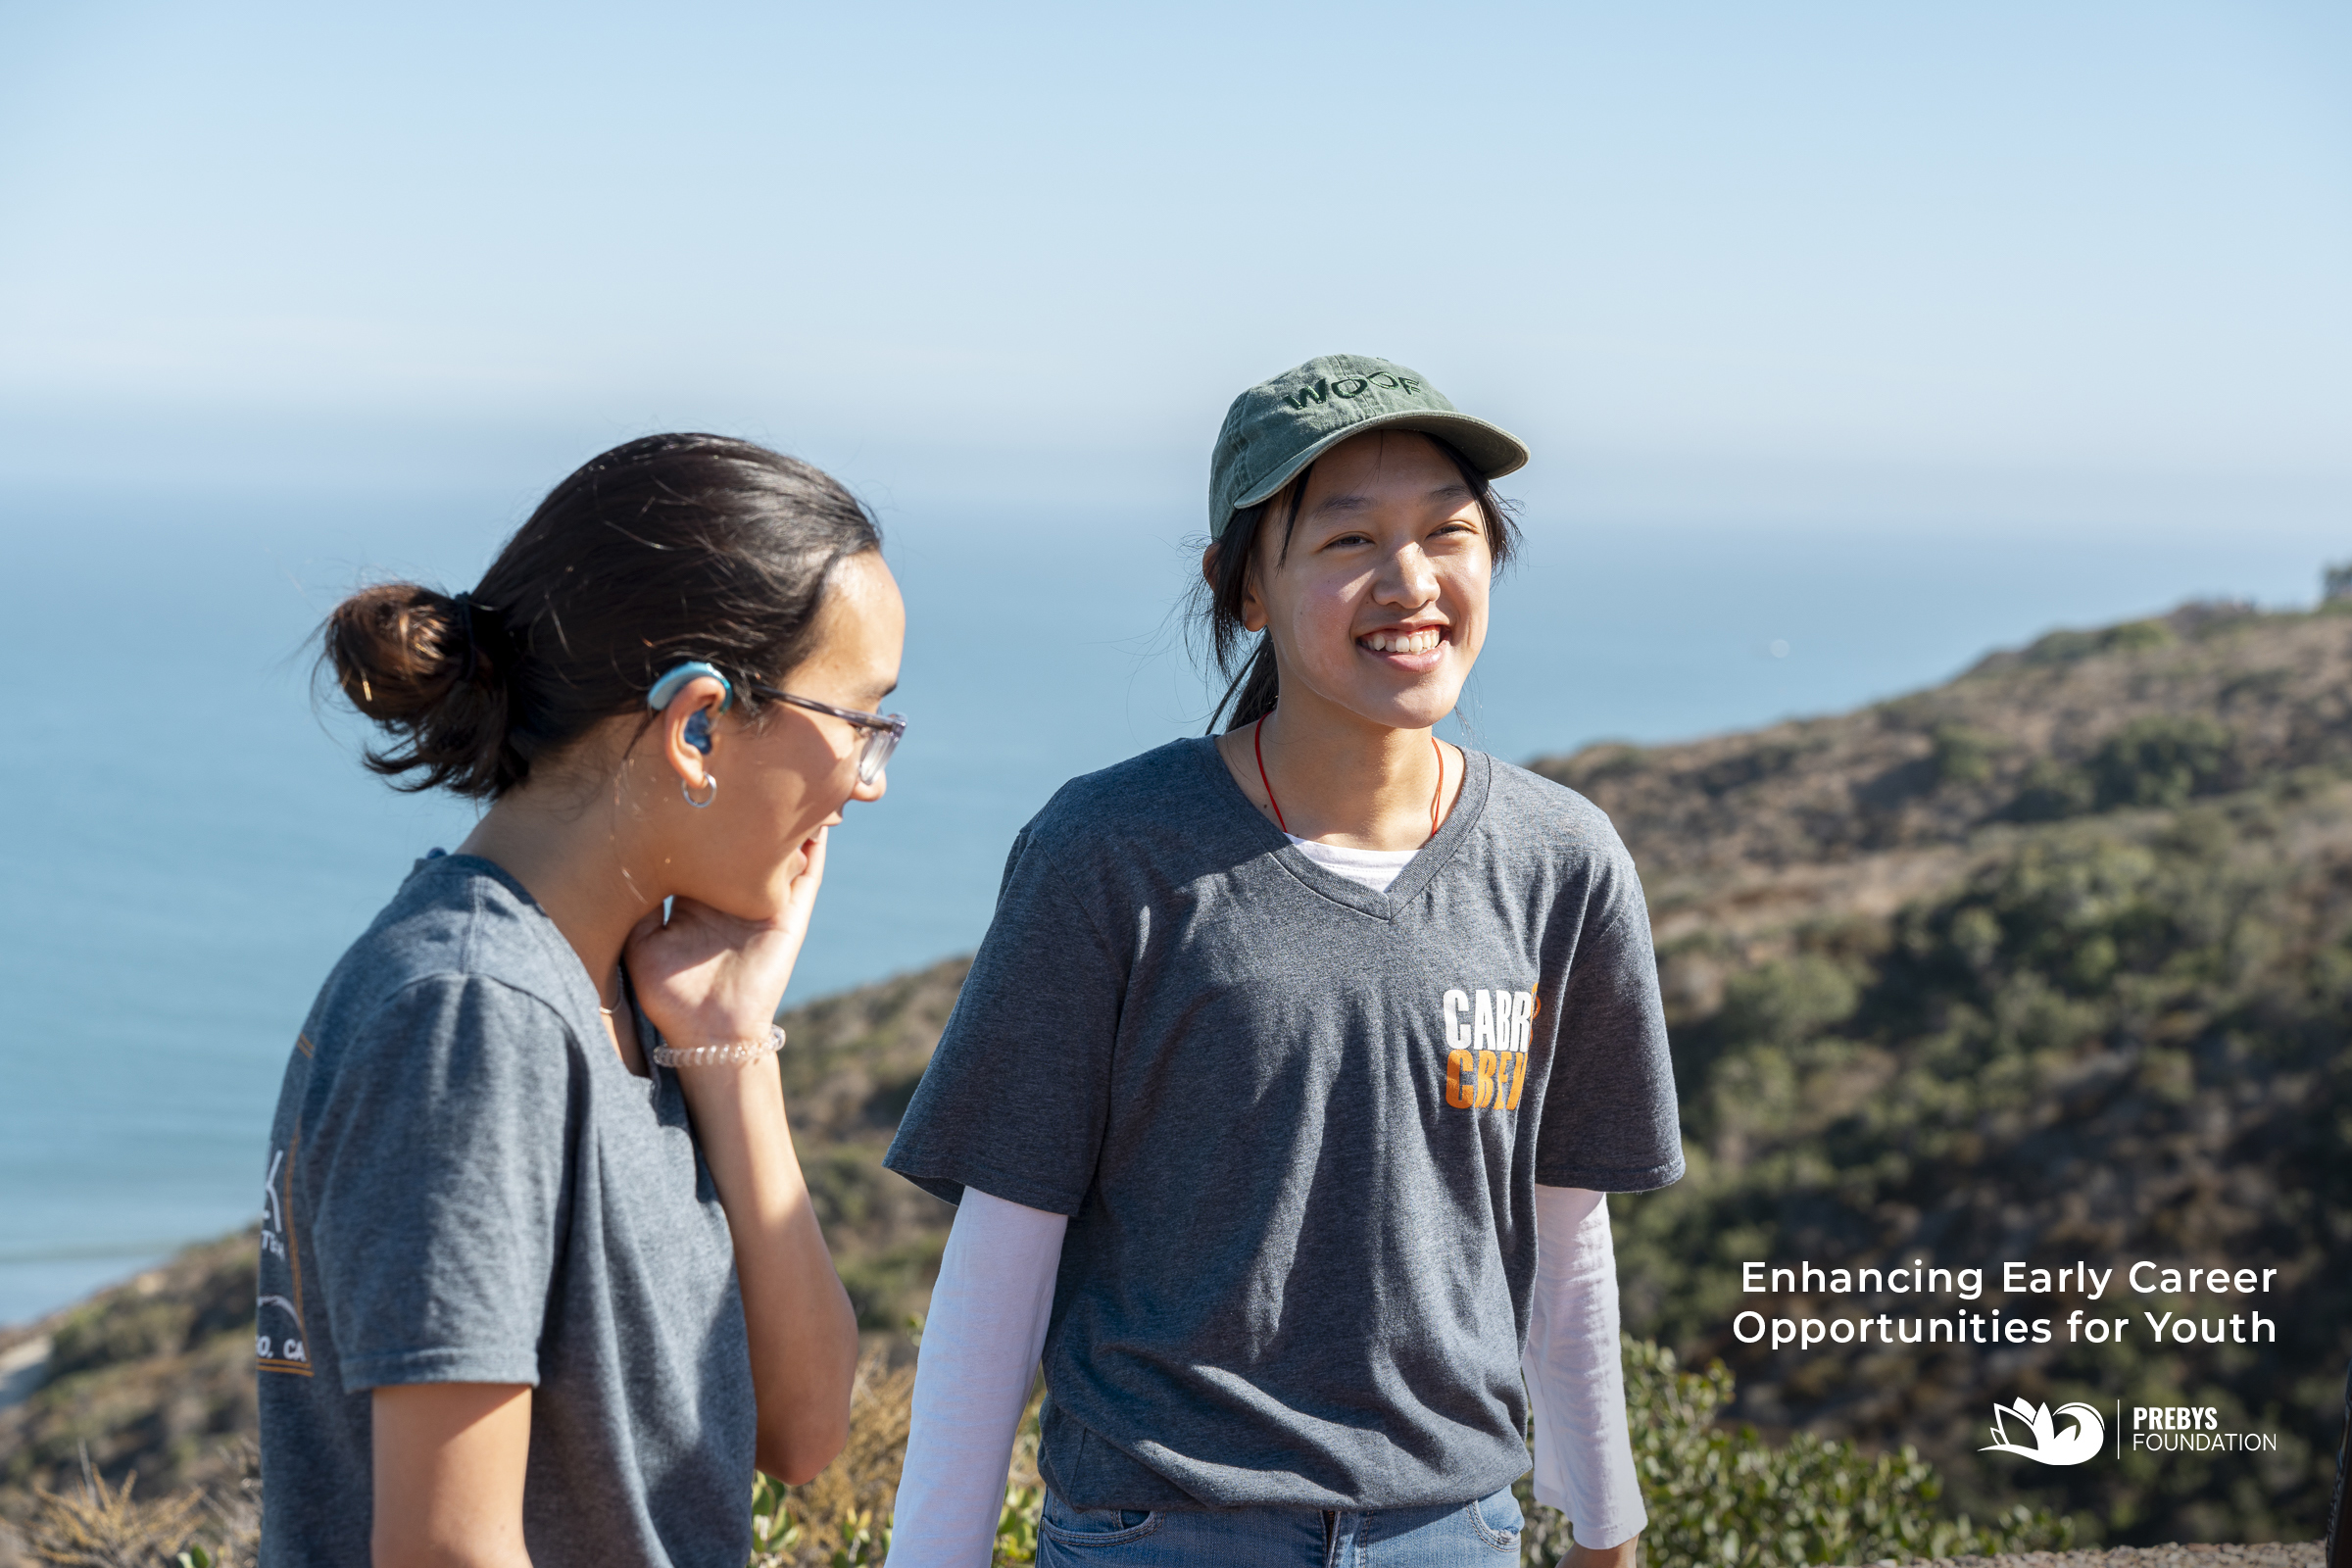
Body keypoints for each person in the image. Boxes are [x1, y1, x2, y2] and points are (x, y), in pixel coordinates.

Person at [884, 356, 1683, 1566]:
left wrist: (1606, 1527)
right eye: (1348, 539)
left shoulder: (1560, 860)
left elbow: (1564, 1232)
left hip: (1454, 1531)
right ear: (1242, 586)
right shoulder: (1110, 852)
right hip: (1159, 1531)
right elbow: (1002, 1253)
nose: (1409, 581)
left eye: (1448, 533)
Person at [256, 434, 903, 1568]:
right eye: (861, 720)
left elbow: (803, 1431)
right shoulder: (471, 1015)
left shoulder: (614, 994)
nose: (869, 778)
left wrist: (731, 1042)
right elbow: (447, 1550)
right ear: (698, 724)